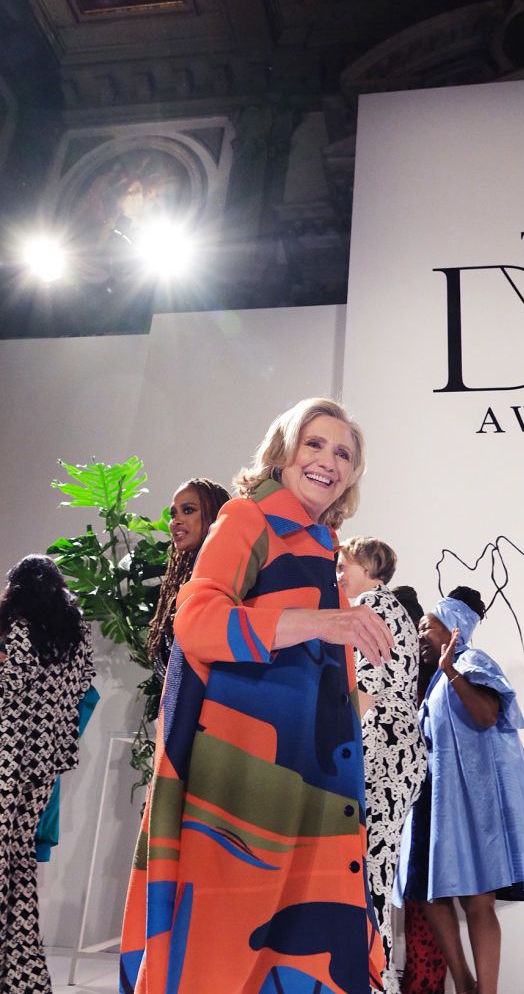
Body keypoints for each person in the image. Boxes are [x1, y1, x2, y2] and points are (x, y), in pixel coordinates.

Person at [120, 397, 394, 994]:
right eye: (314, 444)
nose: (328, 460)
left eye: (343, 452)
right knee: (222, 946)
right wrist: (320, 623)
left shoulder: (326, 548)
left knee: (303, 953)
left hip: (312, 785)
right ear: (284, 451)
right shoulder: (249, 518)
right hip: (242, 789)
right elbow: (194, 621)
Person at [397, 587, 524, 994]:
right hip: (438, 800)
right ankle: (464, 982)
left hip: (475, 803)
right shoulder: (435, 678)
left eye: (427, 627)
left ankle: (486, 990)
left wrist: (453, 671)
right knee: (429, 893)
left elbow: (487, 715)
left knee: (477, 900)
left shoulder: (473, 662)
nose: (420, 635)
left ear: (453, 629)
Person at [0, 555, 95, 993]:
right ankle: (23, 976)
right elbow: (81, 691)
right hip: (42, 765)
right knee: (19, 866)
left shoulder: (16, 630)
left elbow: (11, 685)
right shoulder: (77, 637)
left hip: (7, 755)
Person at [336, 539, 427, 994]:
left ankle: (375, 977)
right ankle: (377, 973)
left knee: (369, 866)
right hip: (395, 750)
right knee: (376, 865)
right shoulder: (390, 609)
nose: (339, 573)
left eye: (344, 564)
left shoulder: (372, 606)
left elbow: (367, 691)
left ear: (368, 567)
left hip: (384, 750)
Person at [390, 586, 448, 994]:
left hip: (419, 792)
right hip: (403, 787)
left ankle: (423, 985)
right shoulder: (411, 667)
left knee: (420, 898)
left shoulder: (425, 671)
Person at [145, 477, 230, 678]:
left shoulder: (228, 579)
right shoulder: (181, 580)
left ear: (214, 514)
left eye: (188, 510)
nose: (176, 521)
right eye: (173, 514)